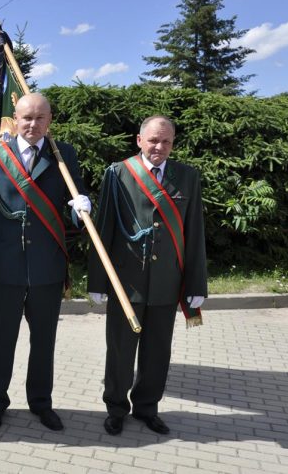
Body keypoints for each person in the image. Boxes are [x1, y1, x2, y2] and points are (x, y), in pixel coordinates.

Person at [0, 93, 92, 432]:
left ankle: (41, 402)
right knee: (0, 340)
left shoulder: (62, 154)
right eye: (27, 118)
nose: (33, 124)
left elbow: (73, 200)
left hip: (47, 265)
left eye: (40, 118)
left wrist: (81, 208)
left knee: (44, 341)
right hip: (5, 266)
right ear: (16, 120)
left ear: (49, 120)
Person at [86, 115, 207, 436]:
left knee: (157, 352)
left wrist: (196, 283)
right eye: (153, 140)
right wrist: (97, 281)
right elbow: (104, 230)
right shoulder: (118, 174)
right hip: (127, 283)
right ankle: (115, 407)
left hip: (167, 282)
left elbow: (194, 233)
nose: (159, 147)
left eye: (166, 141)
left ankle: (146, 408)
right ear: (139, 141)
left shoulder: (187, 177)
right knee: (120, 351)